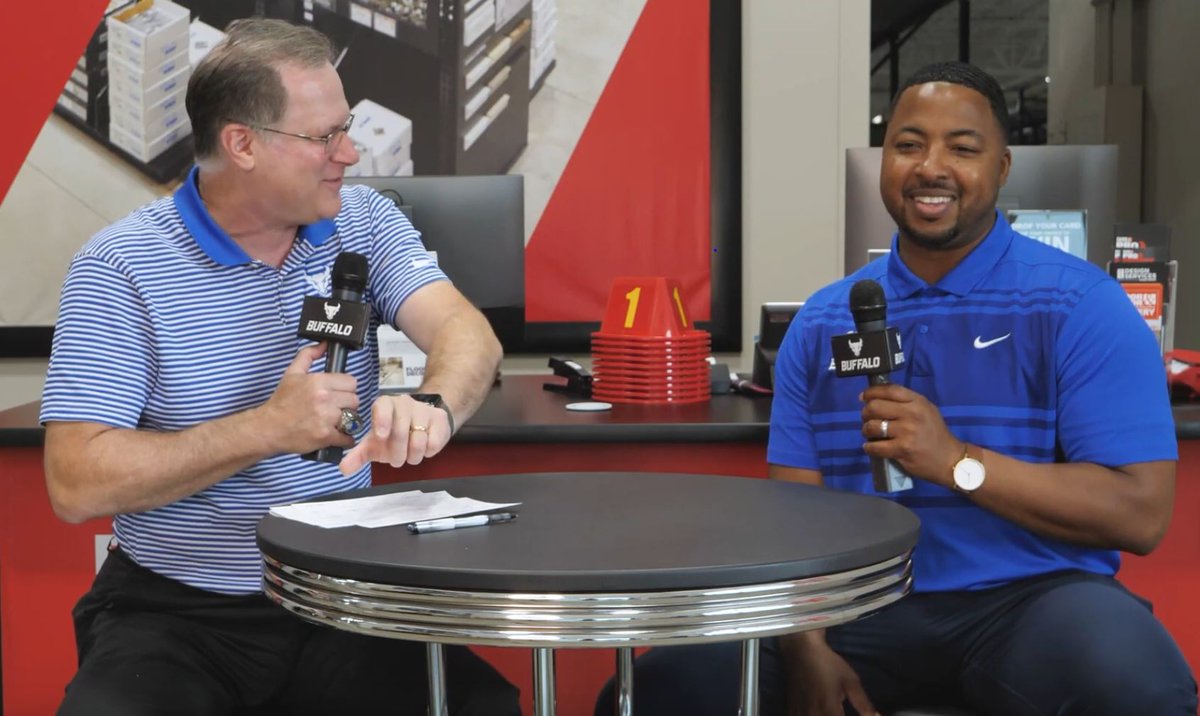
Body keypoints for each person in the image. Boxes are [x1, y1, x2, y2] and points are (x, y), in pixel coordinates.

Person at [595, 61, 1197, 715]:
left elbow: (1140, 513)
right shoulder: (823, 323)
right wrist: (806, 649)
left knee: (1137, 688)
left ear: (1001, 168)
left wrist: (955, 462)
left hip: (1032, 599)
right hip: (860, 607)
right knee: (653, 693)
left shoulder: (1081, 305)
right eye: (908, 144)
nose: (930, 167)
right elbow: (797, 522)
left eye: (962, 148)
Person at [41, 18, 519, 716]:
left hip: (342, 595)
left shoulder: (363, 222)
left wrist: (435, 403)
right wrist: (266, 428)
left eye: (346, 129)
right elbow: (74, 483)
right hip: (182, 612)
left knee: (481, 707)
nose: (350, 154)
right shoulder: (119, 268)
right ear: (242, 145)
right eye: (324, 137)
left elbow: (465, 330)